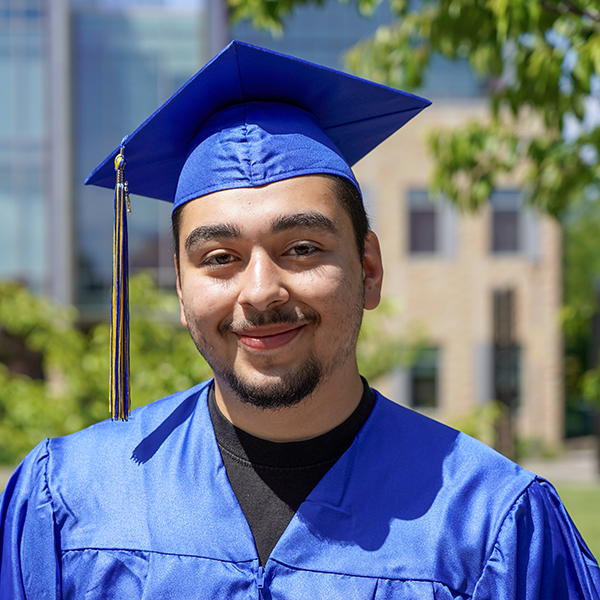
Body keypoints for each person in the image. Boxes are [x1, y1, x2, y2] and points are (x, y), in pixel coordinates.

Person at [1, 41, 599, 599]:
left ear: (368, 269)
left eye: (302, 249)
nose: (260, 292)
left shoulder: (492, 524)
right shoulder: (72, 502)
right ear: (180, 291)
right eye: (219, 259)